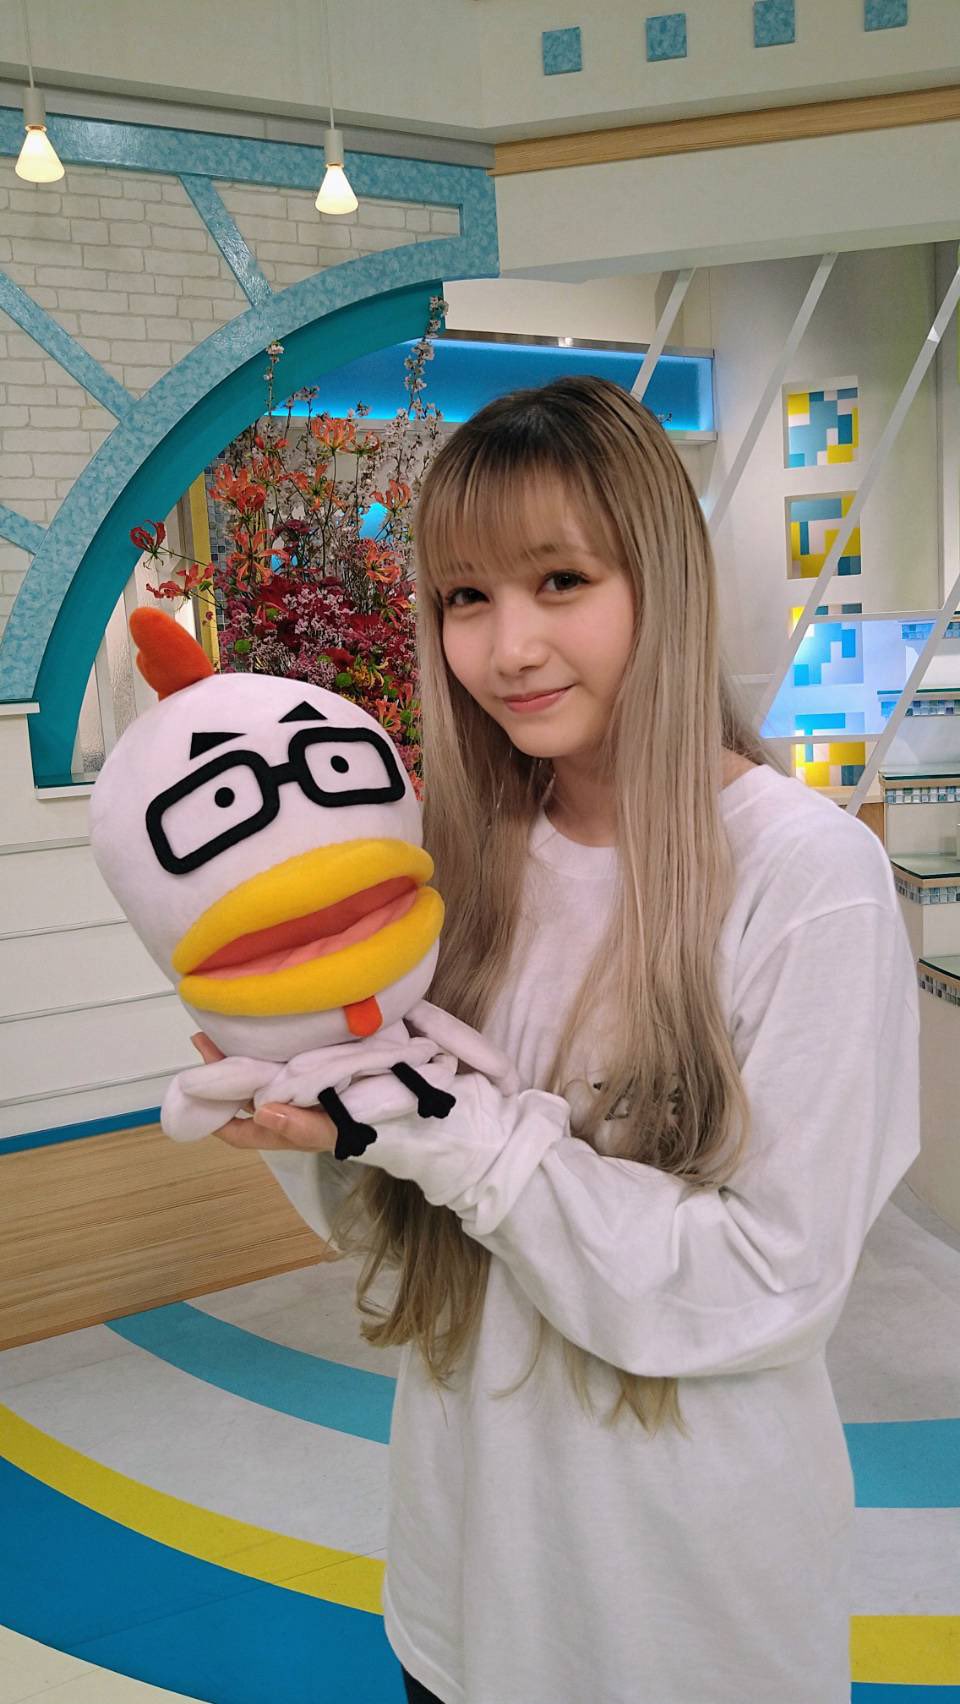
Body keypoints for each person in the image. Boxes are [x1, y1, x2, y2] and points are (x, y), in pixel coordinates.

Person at [192, 374, 921, 1704]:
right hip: (459, 1597)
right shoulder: (458, 863)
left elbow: (769, 1283)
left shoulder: (805, 874)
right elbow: (409, 1242)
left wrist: (455, 1130)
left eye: (562, 581)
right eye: (466, 597)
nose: (508, 646)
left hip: (683, 1626)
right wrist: (317, 1114)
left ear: (664, 580)